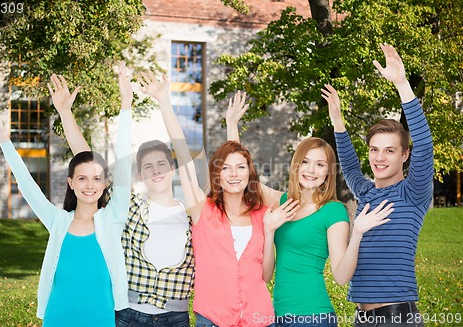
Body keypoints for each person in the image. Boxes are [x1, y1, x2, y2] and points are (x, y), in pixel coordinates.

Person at [137, 71, 300, 327]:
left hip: (260, 319)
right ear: (217, 175)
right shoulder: (203, 210)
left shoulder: (262, 214)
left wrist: (269, 233)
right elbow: (183, 155)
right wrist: (164, 102)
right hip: (212, 319)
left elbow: (265, 276)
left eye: (241, 168)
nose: (233, 174)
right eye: (225, 168)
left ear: (250, 173)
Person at [0, 62, 133, 327]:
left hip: (101, 318)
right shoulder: (59, 221)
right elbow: (27, 185)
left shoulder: (114, 217)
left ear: (105, 183)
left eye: (97, 178)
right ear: (71, 183)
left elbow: (124, 161)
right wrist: (2, 136)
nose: (90, 184)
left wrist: (126, 103)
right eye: (82, 178)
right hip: (57, 316)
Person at [226, 93, 395, 327]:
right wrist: (232, 125)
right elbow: (245, 179)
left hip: (314, 317)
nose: (311, 170)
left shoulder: (333, 211)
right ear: (296, 165)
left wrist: (357, 234)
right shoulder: (282, 202)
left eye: (320, 164)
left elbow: (341, 276)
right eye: (305, 162)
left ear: (328, 172)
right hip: (277, 315)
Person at [49, 72, 193, 326]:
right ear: (139, 173)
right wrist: (65, 113)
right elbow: (87, 159)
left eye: (162, 164)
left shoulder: (192, 214)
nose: (156, 170)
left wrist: (163, 100)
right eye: (148, 166)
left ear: (172, 169)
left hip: (176, 316)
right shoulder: (129, 207)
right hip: (129, 314)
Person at [322, 43, 434, 326]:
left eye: (390, 150)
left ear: (405, 155)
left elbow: (425, 143)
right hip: (363, 318)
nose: (380, 158)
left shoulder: (413, 192)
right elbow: (348, 164)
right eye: (374, 149)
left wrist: (402, 84)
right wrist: (337, 119)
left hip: (396, 317)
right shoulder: (366, 192)